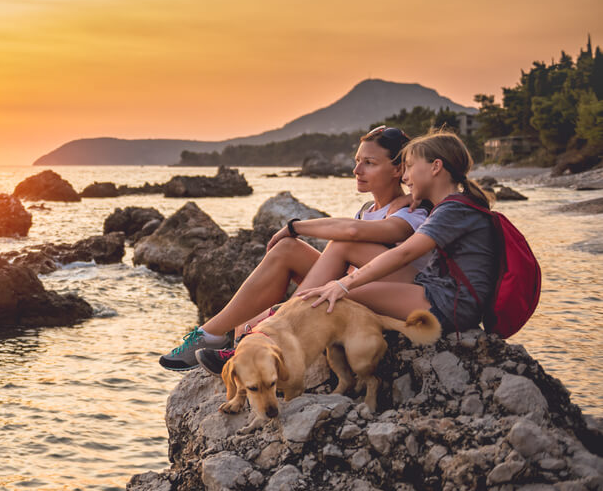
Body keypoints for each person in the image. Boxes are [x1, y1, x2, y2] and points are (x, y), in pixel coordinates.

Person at [159, 126, 430, 371]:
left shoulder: (412, 210)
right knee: (286, 251)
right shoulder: (367, 210)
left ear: (398, 170)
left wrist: (295, 226)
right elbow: (349, 251)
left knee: (336, 243)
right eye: (357, 161)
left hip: (400, 295)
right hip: (356, 287)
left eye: (369, 163)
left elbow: (351, 232)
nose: (357, 171)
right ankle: (211, 334)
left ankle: (275, 329)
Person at [291, 129, 500, 335]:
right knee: (330, 294)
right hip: (435, 292)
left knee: (335, 296)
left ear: (436, 167)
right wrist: (410, 197)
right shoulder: (451, 206)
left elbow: (404, 254)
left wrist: (342, 284)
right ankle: (279, 321)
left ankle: (279, 325)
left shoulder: (454, 210)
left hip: (452, 306)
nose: (405, 176)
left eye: (409, 167)